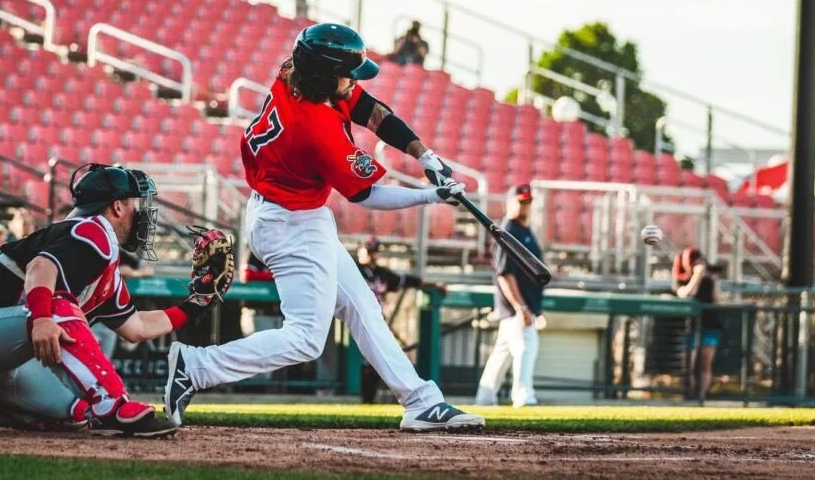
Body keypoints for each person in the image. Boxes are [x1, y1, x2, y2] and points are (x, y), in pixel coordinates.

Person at [163, 22, 484, 432]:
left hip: (292, 213)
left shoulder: (293, 75)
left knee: (362, 306)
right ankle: (196, 366)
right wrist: (430, 196)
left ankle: (421, 401)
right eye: (345, 74)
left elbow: (369, 109)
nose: (352, 82)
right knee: (305, 338)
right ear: (322, 75)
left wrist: (425, 155)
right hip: (289, 224)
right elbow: (366, 196)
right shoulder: (315, 127)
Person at [0, 163, 234, 438]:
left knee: (74, 415)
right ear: (116, 207)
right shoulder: (92, 230)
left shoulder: (101, 256)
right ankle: (114, 404)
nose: (141, 212)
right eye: (136, 204)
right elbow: (40, 268)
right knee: (59, 304)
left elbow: (136, 327)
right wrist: (44, 318)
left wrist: (197, 303)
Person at [475, 183, 545, 408]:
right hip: (517, 307)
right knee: (526, 346)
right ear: (510, 202)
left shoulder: (525, 231)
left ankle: (485, 398)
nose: (525, 206)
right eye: (520, 201)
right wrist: (521, 307)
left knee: (502, 352)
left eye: (528, 202)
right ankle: (523, 395)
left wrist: (536, 309)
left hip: (523, 306)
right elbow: (505, 274)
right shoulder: (508, 231)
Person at [356, 236, 447, 403]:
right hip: (352, 319)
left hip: (374, 321)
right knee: (364, 361)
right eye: (369, 251)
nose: (372, 255)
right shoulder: (352, 270)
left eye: (375, 251)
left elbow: (407, 280)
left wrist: (435, 284)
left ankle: (367, 401)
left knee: (376, 360)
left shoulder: (381, 273)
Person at [675, 249, 723, 404]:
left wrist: (713, 280)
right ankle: (688, 396)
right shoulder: (681, 278)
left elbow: (717, 299)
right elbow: (687, 293)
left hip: (709, 324)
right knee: (687, 364)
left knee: (705, 364)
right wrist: (696, 276)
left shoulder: (709, 280)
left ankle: (701, 398)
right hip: (689, 325)